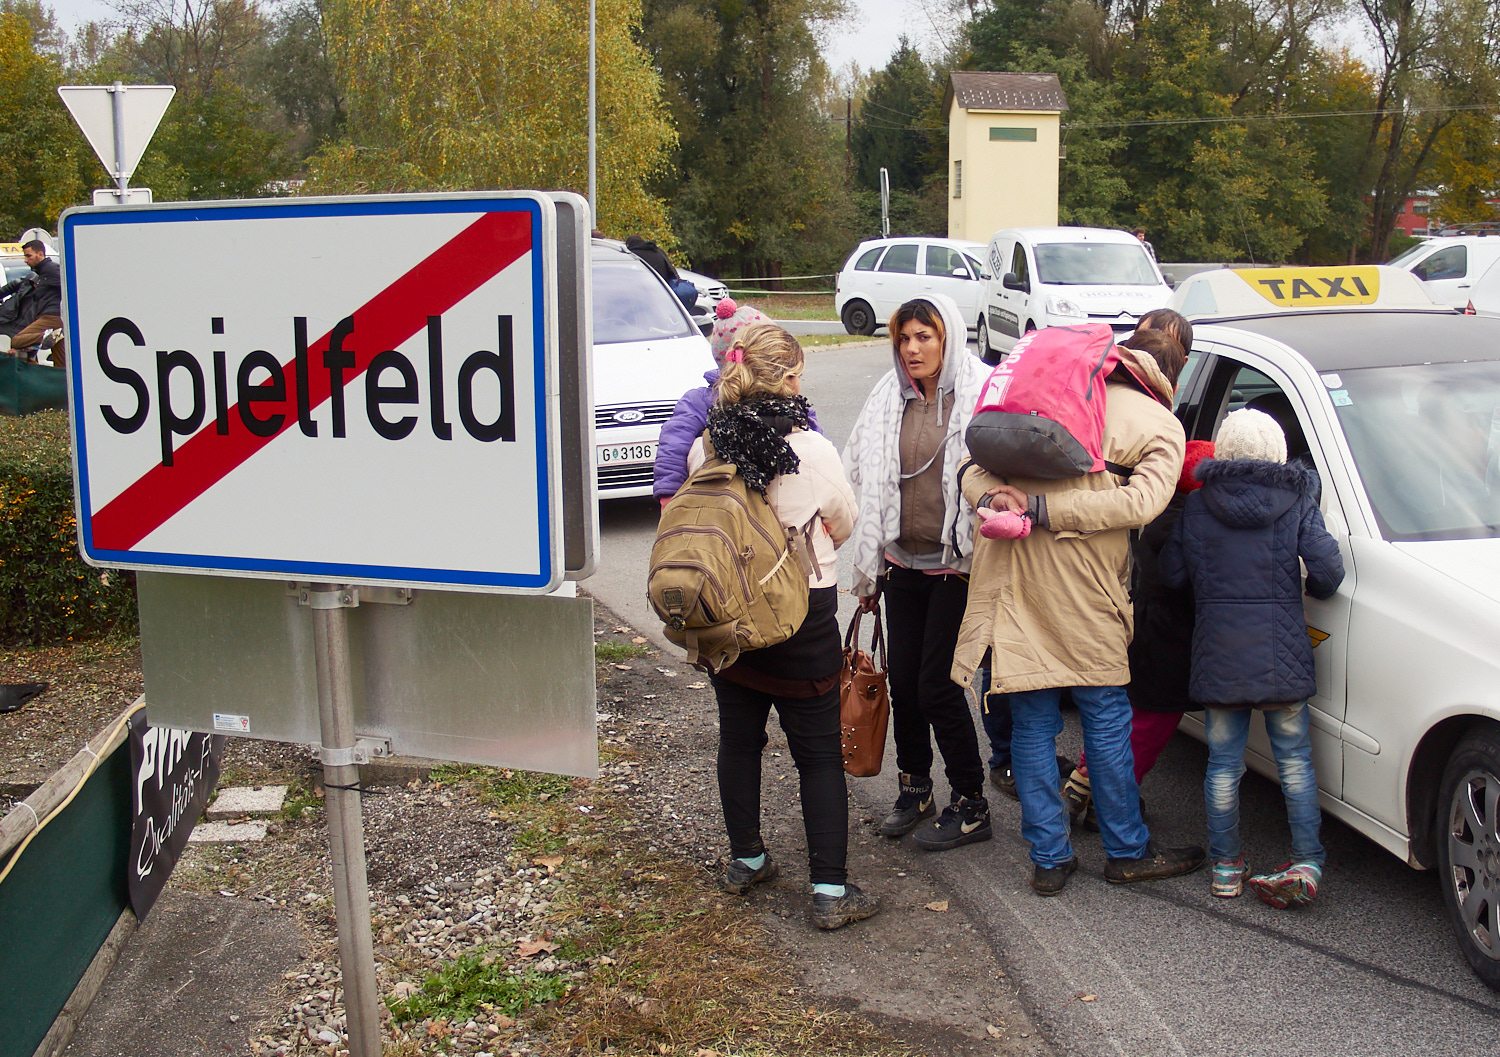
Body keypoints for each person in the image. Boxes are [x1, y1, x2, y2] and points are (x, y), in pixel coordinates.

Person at [954, 329, 1205, 896]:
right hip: (1089, 589)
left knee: (1033, 723)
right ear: (1168, 375)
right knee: (1107, 718)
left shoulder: (1035, 399)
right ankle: (1127, 851)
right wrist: (1047, 509)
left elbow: (968, 467)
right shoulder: (1159, 421)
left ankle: (1049, 857)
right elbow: (1143, 502)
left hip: (1014, 580)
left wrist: (997, 500)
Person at [686, 322, 877, 930]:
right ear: (791, 379)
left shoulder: (708, 444)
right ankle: (829, 891)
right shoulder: (810, 449)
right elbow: (843, 521)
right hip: (800, 613)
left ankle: (746, 859)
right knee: (817, 755)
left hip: (729, 617)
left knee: (738, 740)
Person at [1159, 408, 1344, 907]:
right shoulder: (1297, 500)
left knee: (1223, 765)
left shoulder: (1199, 506)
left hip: (1219, 656)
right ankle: (1306, 861)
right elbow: (1329, 572)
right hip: (1282, 655)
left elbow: (1172, 574)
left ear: (1224, 450)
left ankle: (1226, 868)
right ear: (1278, 453)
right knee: (1295, 762)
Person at [844, 294, 991, 851]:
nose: (911, 348)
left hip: (958, 564)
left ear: (947, 336)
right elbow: (860, 472)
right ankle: (915, 788)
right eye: (903, 338)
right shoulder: (889, 396)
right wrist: (870, 565)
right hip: (901, 562)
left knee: (937, 686)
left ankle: (972, 802)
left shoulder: (981, 391)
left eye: (924, 336)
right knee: (904, 684)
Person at [1061, 326, 1196, 827]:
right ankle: (1113, 814)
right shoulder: (1164, 433)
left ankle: (1081, 788)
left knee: (1106, 706)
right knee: (1145, 708)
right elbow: (1141, 510)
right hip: (1141, 599)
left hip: (1098, 585)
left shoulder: (1087, 401)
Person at [653, 298, 820, 507]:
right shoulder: (704, 401)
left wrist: (669, 496)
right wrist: (670, 495)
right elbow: (817, 449)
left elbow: (672, 445)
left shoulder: (698, 400)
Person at [1, 241, 62, 361]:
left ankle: (45, 335)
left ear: (40, 254)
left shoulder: (51, 269)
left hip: (51, 317)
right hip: (50, 320)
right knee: (61, 360)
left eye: (29, 256)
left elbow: (69, 286)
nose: (26, 260)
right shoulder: (38, 274)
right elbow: (10, 287)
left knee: (16, 341)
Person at [625, 234, 698, 311]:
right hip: (663, 297)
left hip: (642, 299)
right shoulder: (658, 251)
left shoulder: (632, 255)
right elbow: (673, 273)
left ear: (628, 245)